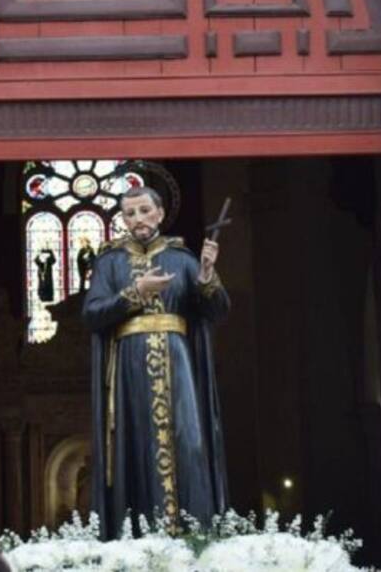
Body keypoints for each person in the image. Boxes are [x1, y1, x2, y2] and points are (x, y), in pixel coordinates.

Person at [82, 185, 229, 538]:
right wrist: (135, 293)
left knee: (188, 443)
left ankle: (192, 534)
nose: (137, 220)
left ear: (160, 213)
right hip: (128, 371)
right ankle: (138, 538)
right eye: (129, 214)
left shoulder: (182, 258)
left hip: (178, 367)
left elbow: (217, 310)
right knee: (134, 446)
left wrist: (207, 274)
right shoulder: (110, 262)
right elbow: (91, 314)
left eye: (144, 211)